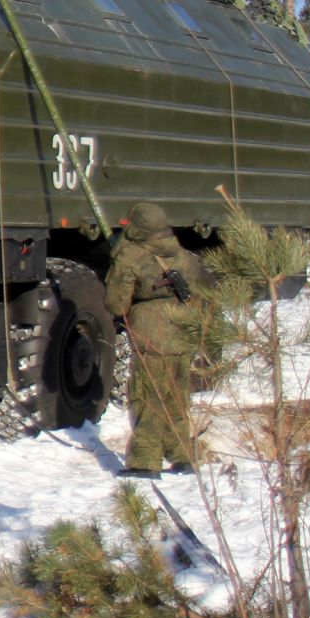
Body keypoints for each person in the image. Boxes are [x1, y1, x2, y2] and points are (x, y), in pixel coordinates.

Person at [103, 201, 210, 478]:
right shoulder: (185, 256)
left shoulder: (131, 258)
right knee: (176, 398)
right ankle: (182, 455)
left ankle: (145, 461)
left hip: (152, 338)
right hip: (183, 334)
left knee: (147, 396)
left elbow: (116, 304)